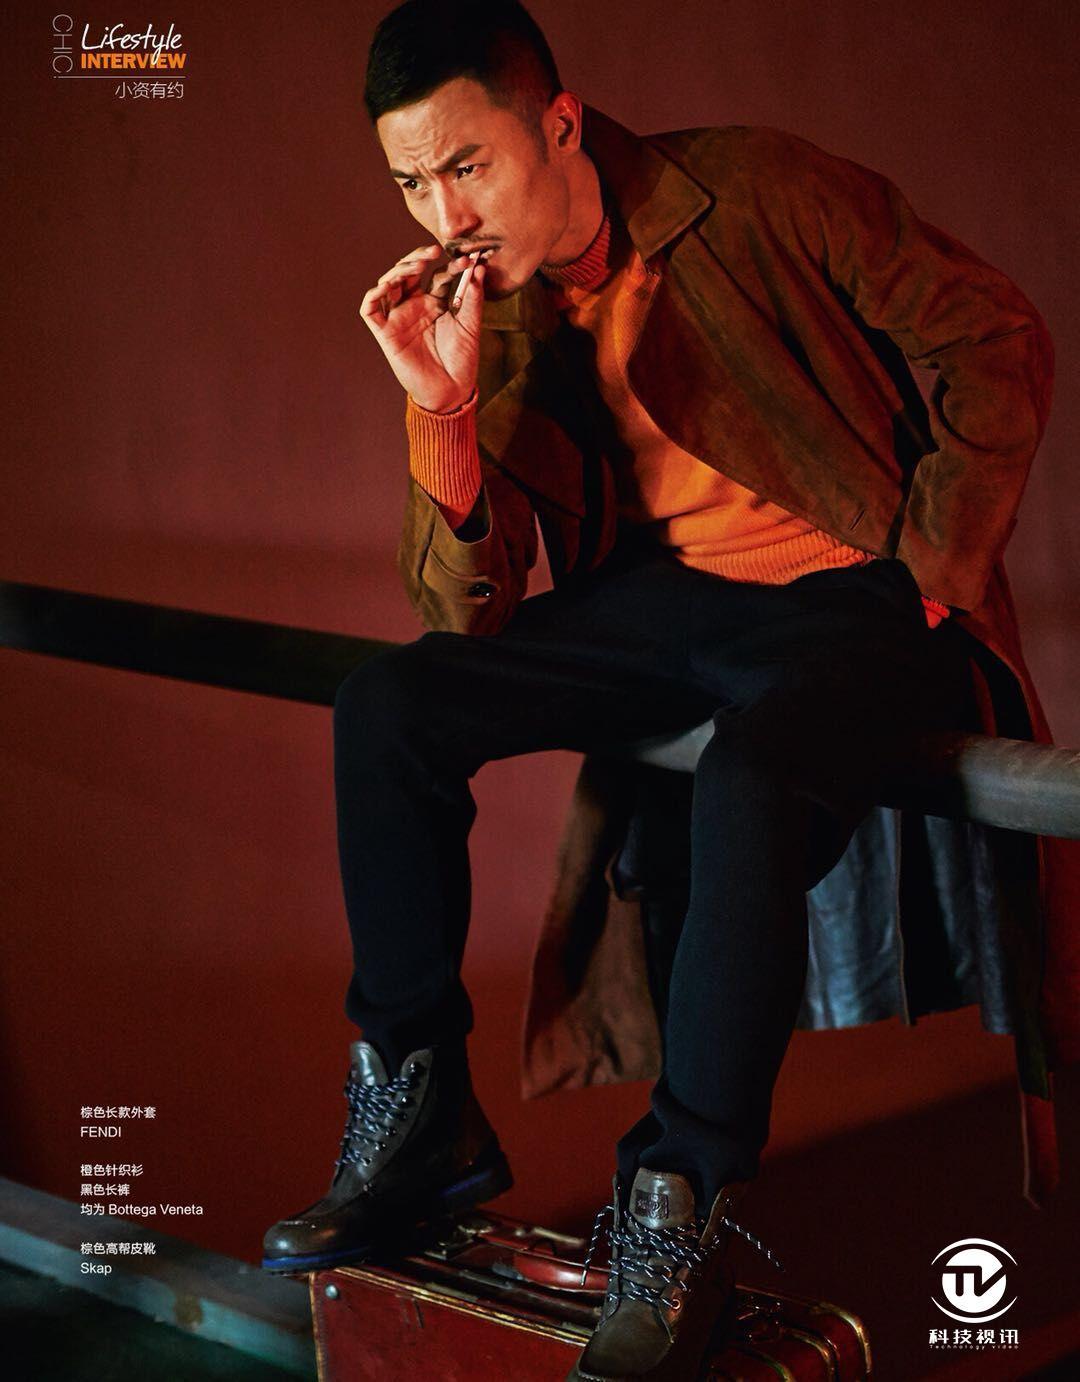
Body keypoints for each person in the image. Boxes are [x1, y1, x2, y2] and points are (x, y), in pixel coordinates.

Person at [263, 2, 1072, 1377]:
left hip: (856, 590)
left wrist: (934, 569)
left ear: (557, 125)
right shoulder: (492, 307)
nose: (446, 214)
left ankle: (678, 1205)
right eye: (411, 182)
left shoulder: (753, 186)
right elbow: (461, 612)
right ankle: (419, 1113)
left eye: (468, 165)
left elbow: (994, 334)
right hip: (666, 602)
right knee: (388, 706)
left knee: (749, 778)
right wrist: (439, 406)